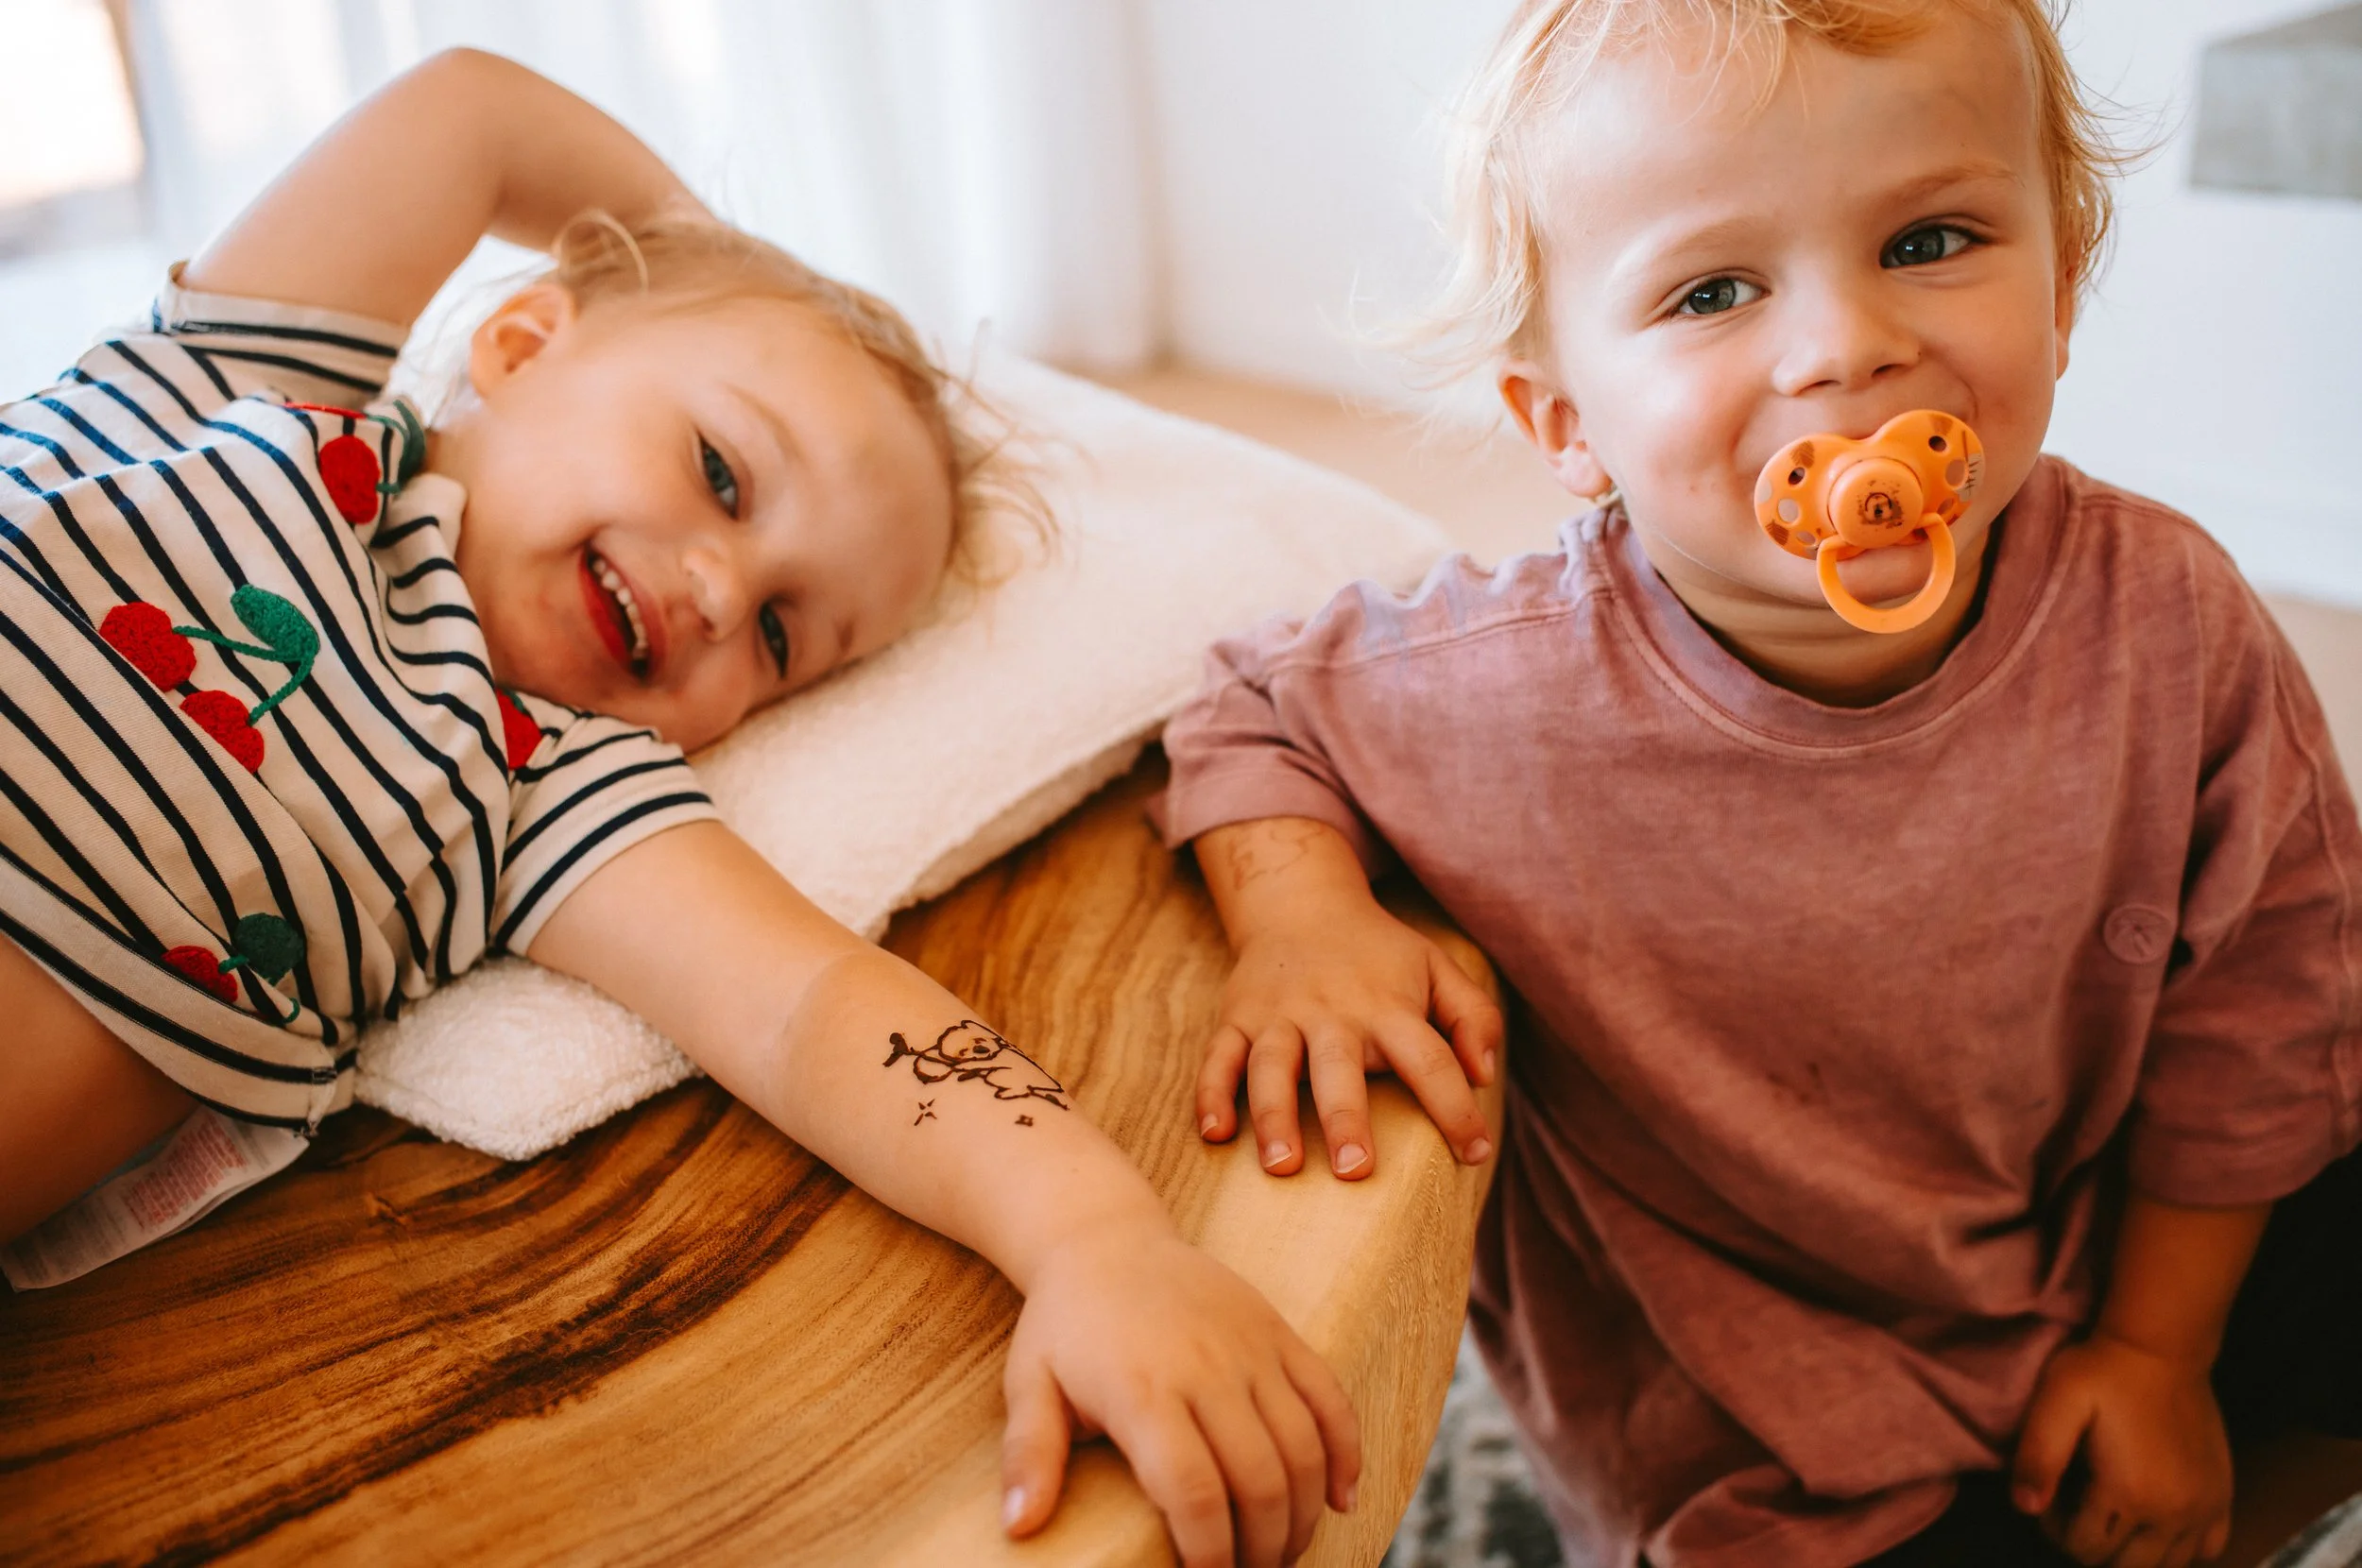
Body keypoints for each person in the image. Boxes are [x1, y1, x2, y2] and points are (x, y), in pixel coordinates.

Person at [0, 49, 1356, 1568]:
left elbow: (821, 1013)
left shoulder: (531, 784)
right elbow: (471, 111)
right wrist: (706, 260)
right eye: (719, 468)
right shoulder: (251, 392)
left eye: (784, 637)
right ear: (524, 341)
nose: (721, 589)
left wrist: (1098, 1239)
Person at [1155, 3, 2362, 1564]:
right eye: (1714, 290)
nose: (1845, 346)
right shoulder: (1495, 681)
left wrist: (2159, 1354)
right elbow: (1247, 704)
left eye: (1930, 240)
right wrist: (1305, 918)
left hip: (2123, 1229)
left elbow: (2266, 1011)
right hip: (1768, 1407)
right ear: (1567, 423)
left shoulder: (2173, 621)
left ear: (2062, 287)